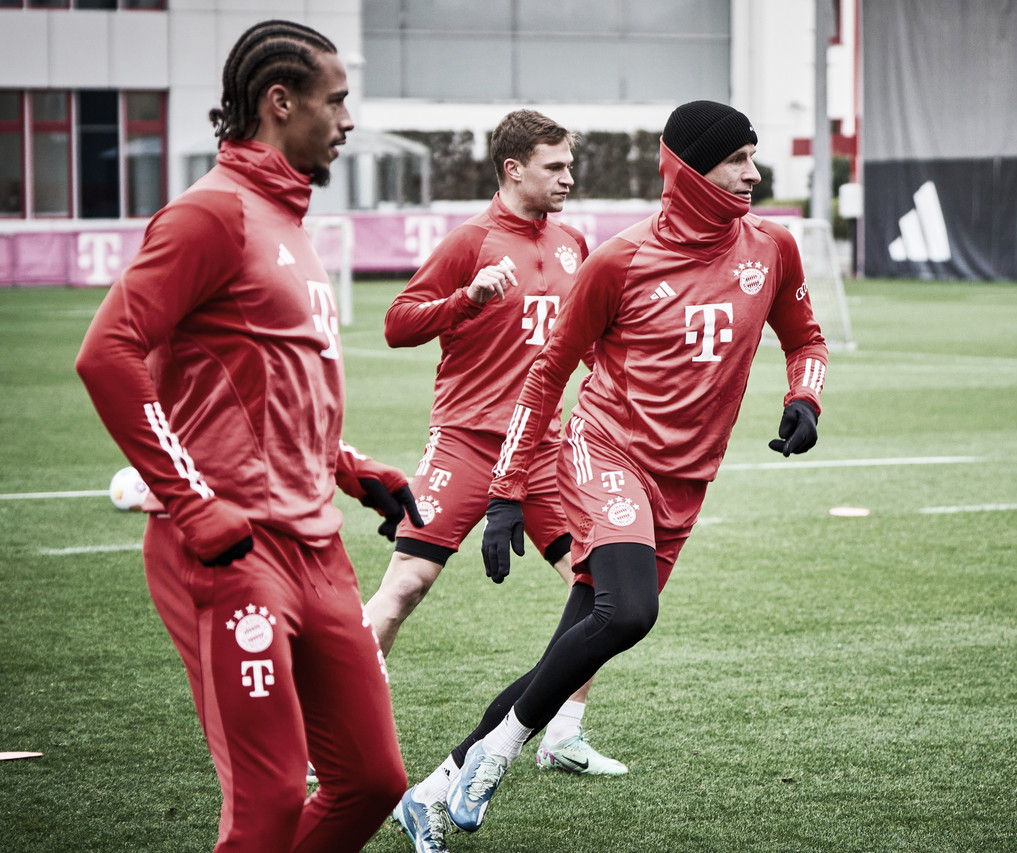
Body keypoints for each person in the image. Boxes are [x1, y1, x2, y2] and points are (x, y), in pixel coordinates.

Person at [393, 99, 828, 852]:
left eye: (755, 159)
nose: (754, 174)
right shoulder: (620, 259)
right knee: (630, 614)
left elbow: (806, 337)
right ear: (690, 170)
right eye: (737, 160)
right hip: (607, 454)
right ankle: (497, 755)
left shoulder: (775, 247)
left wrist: (805, 396)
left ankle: (432, 789)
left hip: (686, 482)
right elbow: (546, 378)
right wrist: (508, 493)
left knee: (578, 644)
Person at [75, 20, 422, 852]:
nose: (347, 120)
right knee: (266, 806)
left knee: (372, 781)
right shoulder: (209, 215)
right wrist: (194, 505)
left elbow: (269, 387)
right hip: (230, 554)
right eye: (336, 101)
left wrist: (347, 466)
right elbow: (107, 354)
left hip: (318, 546)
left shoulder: (290, 223)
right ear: (280, 101)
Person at [368, 110, 626, 785]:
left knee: (602, 589)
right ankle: (331, 738)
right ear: (514, 170)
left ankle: (562, 733)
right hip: (465, 445)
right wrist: (464, 299)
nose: (569, 178)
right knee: (404, 587)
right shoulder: (471, 241)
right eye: (555, 166)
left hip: (543, 453)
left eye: (570, 165)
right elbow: (396, 325)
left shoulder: (574, 243)